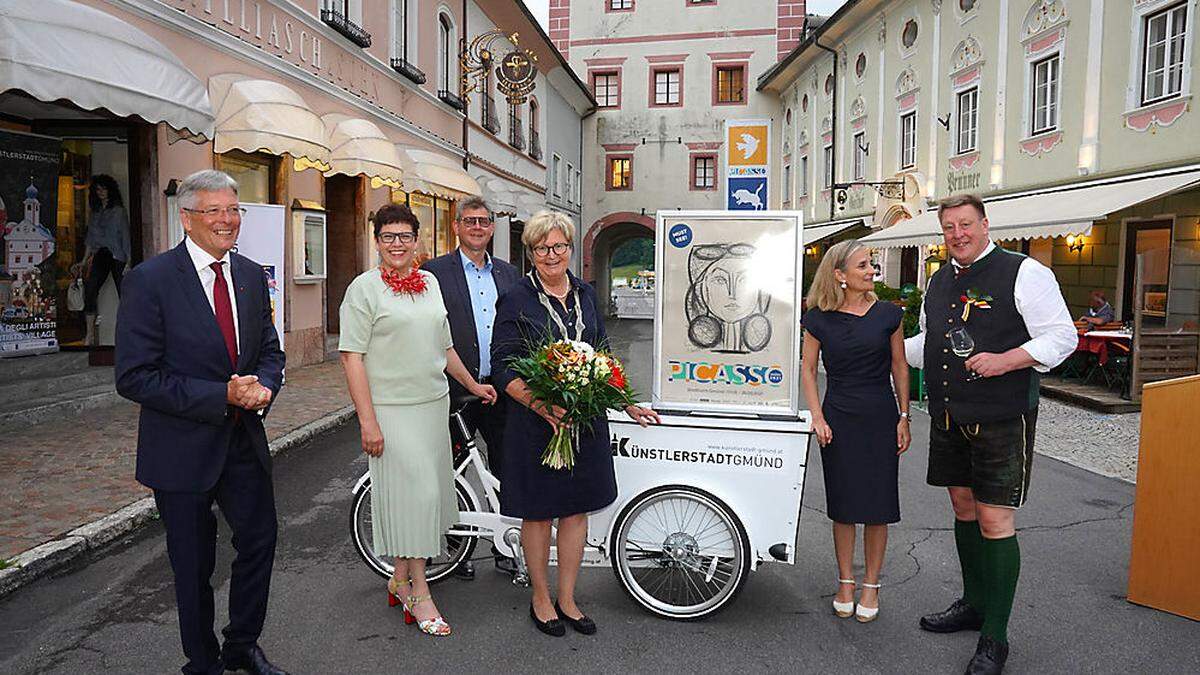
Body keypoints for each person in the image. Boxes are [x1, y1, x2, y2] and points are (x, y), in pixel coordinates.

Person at [115, 170, 287, 675]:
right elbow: (134, 377)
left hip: (242, 440)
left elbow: (270, 351)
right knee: (192, 565)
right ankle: (202, 660)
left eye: (233, 210)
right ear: (186, 218)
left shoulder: (253, 276)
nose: (227, 220)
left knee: (260, 543)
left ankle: (242, 645)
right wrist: (221, 394)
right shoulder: (149, 280)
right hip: (181, 448)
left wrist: (267, 386)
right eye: (213, 211)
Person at [905, 194, 1076, 674]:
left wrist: (1008, 359)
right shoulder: (938, 280)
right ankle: (973, 604)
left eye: (965, 224)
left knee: (995, 521)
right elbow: (927, 345)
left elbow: (1063, 337)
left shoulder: (1024, 272)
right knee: (962, 508)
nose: (957, 234)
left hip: (1002, 417)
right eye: (948, 227)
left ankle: (995, 637)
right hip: (949, 416)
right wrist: (878, 339)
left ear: (984, 225)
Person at [491, 210, 658, 637]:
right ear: (531, 252)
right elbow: (504, 365)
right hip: (535, 425)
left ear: (569, 249)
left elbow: (601, 354)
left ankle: (568, 597)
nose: (552, 254)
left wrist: (627, 403)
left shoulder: (584, 293)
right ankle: (541, 597)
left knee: (575, 510)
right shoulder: (516, 298)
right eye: (543, 248)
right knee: (538, 513)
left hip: (584, 421)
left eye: (560, 246)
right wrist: (543, 406)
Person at [338, 203, 497, 637]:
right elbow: (352, 357)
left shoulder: (428, 282)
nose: (396, 244)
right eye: (387, 236)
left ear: (416, 240)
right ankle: (419, 591)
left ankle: (399, 579)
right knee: (417, 497)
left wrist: (473, 384)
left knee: (426, 501)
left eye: (404, 236)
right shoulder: (363, 289)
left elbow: (443, 348)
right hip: (391, 410)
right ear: (376, 241)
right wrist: (366, 421)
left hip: (432, 406)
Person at [800, 239, 910, 624]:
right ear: (839, 275)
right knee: (844, 506)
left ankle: (871, 585)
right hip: (839, 417)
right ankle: (846, 582)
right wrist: (817, 416)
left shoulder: (889, 315)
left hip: (880, 416)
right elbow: (808, 370)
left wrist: (904, 416)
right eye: (863, 265)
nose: (871, 271)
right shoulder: (818, 318)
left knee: (878, 506)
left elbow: (900, 366)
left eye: (871, 264)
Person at [421, 197, 521, 577]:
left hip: (501, 389)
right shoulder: (434, 273)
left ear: (492, 228)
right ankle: (453, 547)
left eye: (483, 221)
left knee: (505, 465)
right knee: (447, 468)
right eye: (470, 221)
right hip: (450, 389)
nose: (477, 227)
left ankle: (505, 546)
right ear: (457, 226)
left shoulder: (510, 275)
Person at [83, 174, 131, 345]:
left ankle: (129, 334)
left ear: (110, 191)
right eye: (98, 189)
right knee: (90, 288)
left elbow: (125, 236)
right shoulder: (95, 213)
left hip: (117, 255)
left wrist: (129, 261)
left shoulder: (118, 212)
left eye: (104, 189)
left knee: (124, 294)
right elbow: (90, 239)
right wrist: (83, 261)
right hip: (100, 253)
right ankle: (90, 334)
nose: (101, 192)